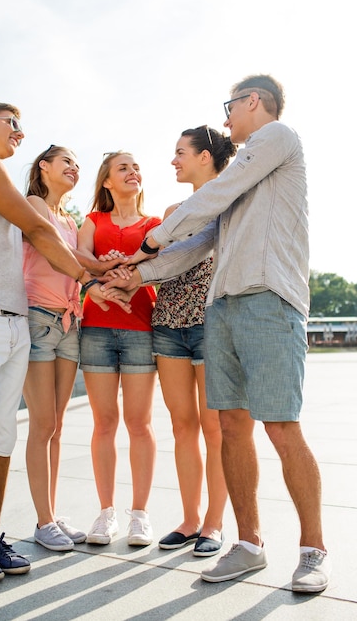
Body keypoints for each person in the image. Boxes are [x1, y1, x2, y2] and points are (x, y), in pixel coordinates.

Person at [103, 75, 331, 593]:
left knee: (281, 426)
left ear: (254, 102)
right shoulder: (243, 177)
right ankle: (248, 546)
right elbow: (201, 240)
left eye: (230, 107)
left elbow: (212, 196)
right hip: (222, 308)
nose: (226, 120)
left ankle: (314, 549)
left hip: (269, 301)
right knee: (231, 427)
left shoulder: (276, 138)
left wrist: (148, 241)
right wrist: (135, 276)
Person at [0, 104, 131, 584]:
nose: (20, 133)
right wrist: (89, 279)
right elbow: (40, 231)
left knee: (1, 435)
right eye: (11, 124)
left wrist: (101, 270)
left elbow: (55, 238)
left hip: (13, 318)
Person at [22, 145, 130, 553]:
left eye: (76, 164)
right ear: (43, 167)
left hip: (70, 321)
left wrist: (115, 263)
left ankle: (49, 513)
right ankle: (43, 521)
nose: (73, 167)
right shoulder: (34, 204)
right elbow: (54, 247)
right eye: (65, 161)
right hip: (39, 316)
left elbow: (81, 255)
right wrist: (95, 274)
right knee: (42, 423)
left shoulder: (71, 219)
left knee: (58, 424)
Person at [152, 126, 237, 557]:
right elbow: (160, 263)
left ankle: (214, 522)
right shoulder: (174, 209)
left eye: (180, 152)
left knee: (215, 427)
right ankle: (189, 519)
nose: (173, 160)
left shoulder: (231, 198)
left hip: (211, 322)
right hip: (168, 322)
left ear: (205, 156)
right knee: (181, 425)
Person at [77, 151, 161, 546]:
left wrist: (129, 268)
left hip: (142, 329)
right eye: (123, 167)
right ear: (107, 181)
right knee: (104, 423)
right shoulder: (92, 221)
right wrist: (102, 272)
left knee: (139, 424)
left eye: (136, 167)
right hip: (96, 329)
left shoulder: (155, 224)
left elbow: (161, 273)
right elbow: (79, 263)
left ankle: (140, 516)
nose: (133, 172)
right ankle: (106, 513)